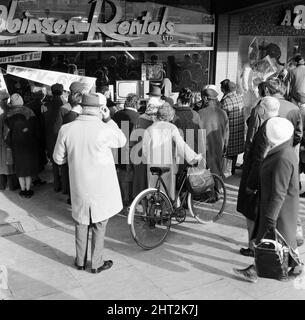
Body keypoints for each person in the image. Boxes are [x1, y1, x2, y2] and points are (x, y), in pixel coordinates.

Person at [53, 93, 126, 273]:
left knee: (81, 221)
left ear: (81, 107)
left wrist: (71, 161)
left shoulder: (66, 129)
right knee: (100, 223)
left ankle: (79, 261)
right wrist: (109, 118)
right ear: (99, 109)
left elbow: (57, 158)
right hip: (101, 186)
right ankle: (96, 263)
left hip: (79, 183)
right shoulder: (104, 128)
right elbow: (122, 140)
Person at [234, 118, 302, 283]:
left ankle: (259, 271)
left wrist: (270, 218)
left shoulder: (282, 158)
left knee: (269, 242)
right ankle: (293, 268)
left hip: (278, 209)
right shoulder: (285, 150)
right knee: (282, 240)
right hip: (281, 207)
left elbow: (279, 192)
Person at [237, 96, 280, 257]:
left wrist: (252, 184)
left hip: (258, 179)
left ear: (262, 109)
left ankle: (253, 247)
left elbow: (259, 158)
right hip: (269, 178)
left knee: (251, 214)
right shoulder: (277, 123)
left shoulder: (266, 128)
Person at [142, 102, 201, 200]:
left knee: (153, 191)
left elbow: (145, 150)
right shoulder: (172, 128)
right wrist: (193, 157)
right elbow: (181, 145)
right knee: (167, 194)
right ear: (169, 116)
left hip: (152, 165)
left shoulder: (149, 129)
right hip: (167, 165)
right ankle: (166, 211)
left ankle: (152, 210)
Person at [4, 94, 40, 198]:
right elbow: (36, 129)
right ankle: (28, 190)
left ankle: (23, 190)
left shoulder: (8, 115)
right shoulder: (29, 112)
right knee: (28, 168)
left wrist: (10, 144)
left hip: (16, 146)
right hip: (30, 145)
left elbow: (5, 135)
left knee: (20, 168)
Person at [113, 94, 140, 207]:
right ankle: (127, 198)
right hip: (131, 150)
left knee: (120, 173)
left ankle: (121, 197)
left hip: (117, 149)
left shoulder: (116, 115)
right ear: (136, 103)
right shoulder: (138, 117)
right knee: (129, 175)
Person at [61, 81, 86, 204]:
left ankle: (71, 195)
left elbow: (59, 129)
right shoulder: (84, 109)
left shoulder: (65, 107)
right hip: (82, 147)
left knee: (71, 172)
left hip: (69, 146)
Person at [43, 83, 69, 192]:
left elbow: (43, 121)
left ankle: (56, 185)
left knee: (54, 161)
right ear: (62, 91)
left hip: (49, 136)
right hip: (62, 136)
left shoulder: (45, 105)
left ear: (51, 92)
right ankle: (64, 187)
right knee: (63, 162)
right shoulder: (65, 105)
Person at [198, 88, 229, 177]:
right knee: (216, 170)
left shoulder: (200, 113)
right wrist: (225, 148)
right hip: (219, 145)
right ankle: (217, 188)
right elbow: (227, 134)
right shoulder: (223, 113)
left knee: (204, 173)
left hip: (204, 147)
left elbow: (195, 134)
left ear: (205, 98)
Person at [131, 102, 158, 199]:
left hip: (139, 154)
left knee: (140, 180)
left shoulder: (139, 119)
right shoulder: (157, 122)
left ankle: (140, 203)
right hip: (154, 155)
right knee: (151, 180)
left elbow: (133, 138)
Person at [220, 79, 245, 174]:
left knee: (228, 153)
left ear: (224, 90)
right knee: (234, 152)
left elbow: (221, 117)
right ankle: (232, 170)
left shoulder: (225, 101)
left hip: (230, 130)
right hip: (239, 129)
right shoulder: (239, 97)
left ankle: (228, 172)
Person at [172, 87, 202, 154]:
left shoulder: (173, 115)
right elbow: (199, 137)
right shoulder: (195, 115)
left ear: (178, 100)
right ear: (190, 101)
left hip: (177, 153)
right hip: (192, 152)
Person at [0, 92, 18, 190]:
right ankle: (12, 186)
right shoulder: (8, 112)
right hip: (7, 142)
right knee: (10, 166)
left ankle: (1, 185)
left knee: (1, 165)